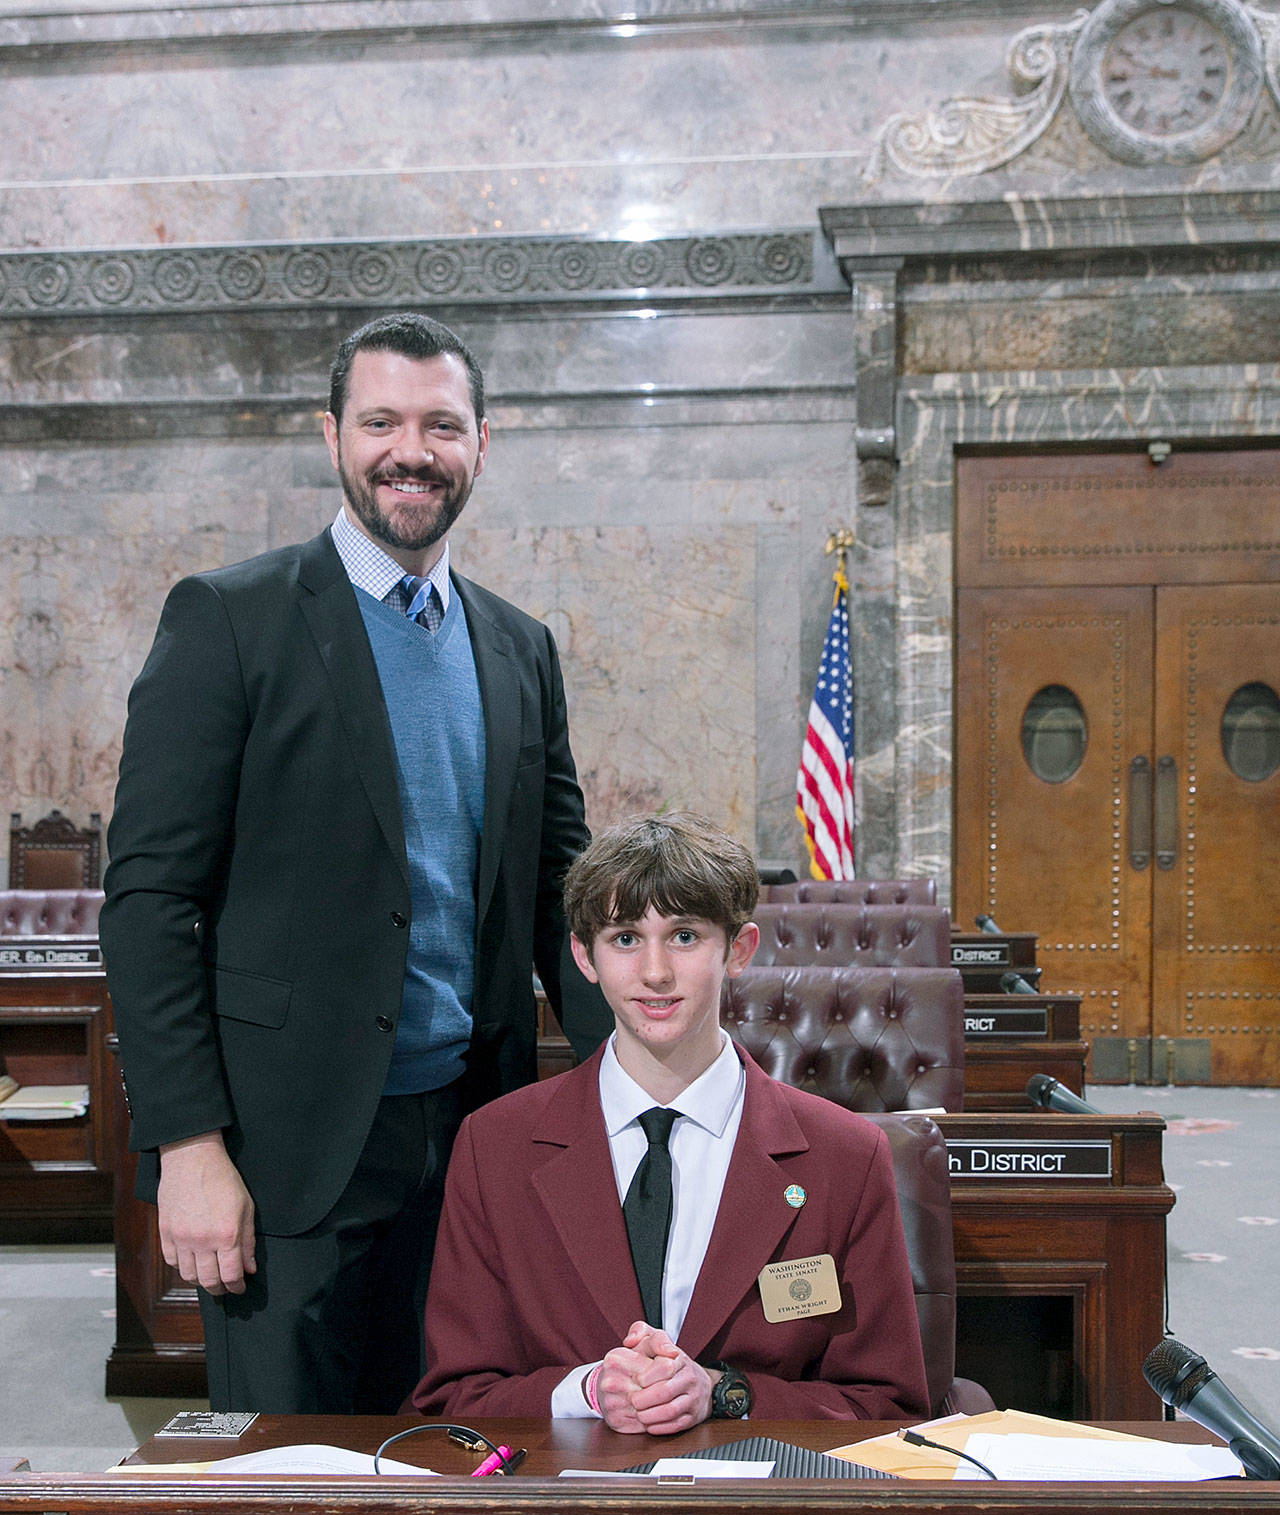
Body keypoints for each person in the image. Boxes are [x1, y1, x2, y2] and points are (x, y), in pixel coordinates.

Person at [101, 311, 608, 1416]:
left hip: (476, 1136)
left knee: (456, 1456)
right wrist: (186, 1144)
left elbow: (560, 896)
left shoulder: (517, 645)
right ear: (333, 435)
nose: (408, 450)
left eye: (439, 424)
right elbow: (147, 902)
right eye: (380, 421)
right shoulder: (228, 619)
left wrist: (653, 1080)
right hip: (288, 1148)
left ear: (482, 445)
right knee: (296, 1491)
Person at [414, 814, 930, 1431]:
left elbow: (887, 1407)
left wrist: (724, 1392)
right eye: (625, 939)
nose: (655, 972)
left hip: (754, 1512)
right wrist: (588, 1391)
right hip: (565, 1511)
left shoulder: (844, 1156)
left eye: (684, 936)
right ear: (584, 956)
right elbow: (454, 1398)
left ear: (738, 950)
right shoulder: (494, 1145)